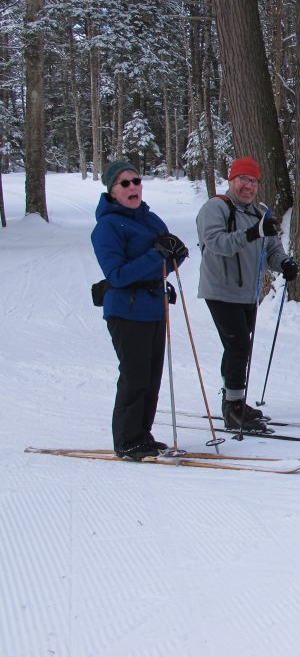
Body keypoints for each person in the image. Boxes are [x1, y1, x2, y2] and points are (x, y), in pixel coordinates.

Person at [91, 160, 189, 460]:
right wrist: (156, 255)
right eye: (125, 183)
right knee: (134, 377)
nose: (133, 187)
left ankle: (143, 435)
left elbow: (166, 261)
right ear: (112, 191)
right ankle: (127, 439)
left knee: (151, 376)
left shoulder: (151, 219)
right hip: (126, 310)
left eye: (136, 181)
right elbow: (117, 275)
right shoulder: (106, 227)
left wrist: (177, 255)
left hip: (155, 307)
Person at [196, 156, 298, 431]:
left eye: (253, 181)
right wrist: (253, 233)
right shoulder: (215, 208)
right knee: (238, 345)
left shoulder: (258, 214)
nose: (248, 186)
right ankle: (233, 408)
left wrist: (285, 264)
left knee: (240, 348)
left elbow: (272, 251)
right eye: (243, 179)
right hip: (220, 289)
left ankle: (235, 402)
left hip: (248, 294)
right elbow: (217, 243)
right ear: (231, 180)